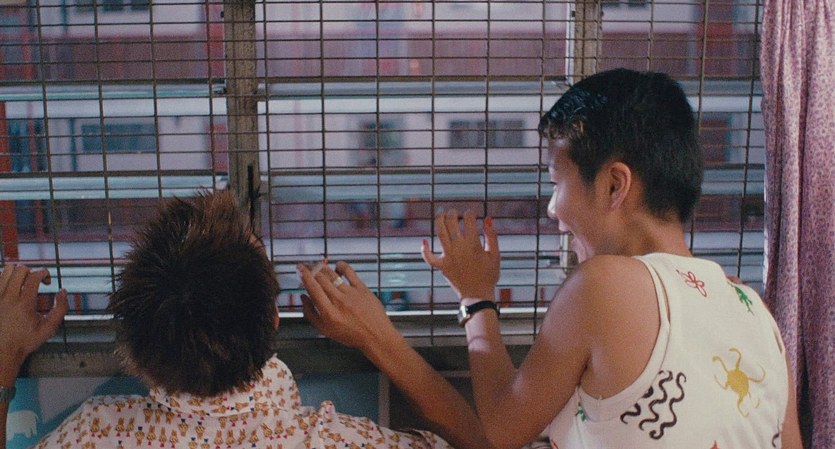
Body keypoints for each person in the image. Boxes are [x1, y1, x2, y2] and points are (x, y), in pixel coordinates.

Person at [299, 68, 803, 449]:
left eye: (557, 182)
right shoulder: (756, 314)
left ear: (614, 185)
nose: (552, 208)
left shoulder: (605, 284)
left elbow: (497, 433)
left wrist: (468, 303)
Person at [0, 190, 490, 449]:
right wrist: (382, 339)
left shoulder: (93, 435)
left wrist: (3, 354)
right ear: (274, 319)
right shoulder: (340, 442)